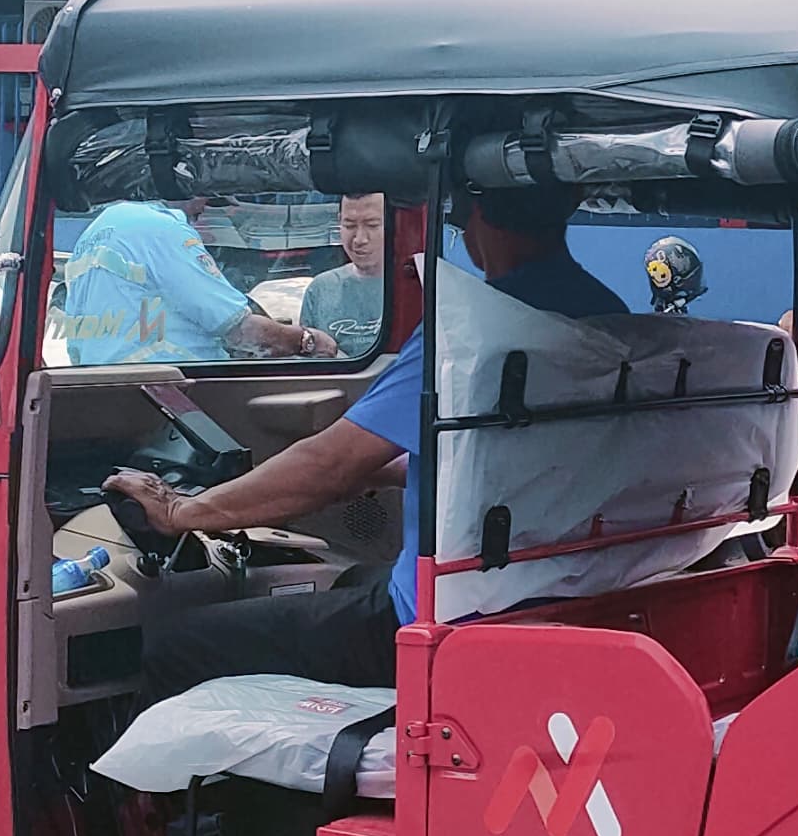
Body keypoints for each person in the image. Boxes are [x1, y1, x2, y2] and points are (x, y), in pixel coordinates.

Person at [107, 185, 624, 696]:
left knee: (175, 645)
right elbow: (531, 453)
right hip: (556, 589)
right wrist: (391, 469)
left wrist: (180, 511)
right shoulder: (606, 312)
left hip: (444, 620)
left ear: (475, 223)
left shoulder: (473, 331)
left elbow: (330, 467)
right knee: (352, 579)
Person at [52, 198, 338, 366]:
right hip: (176, 398)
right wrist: (306, 341)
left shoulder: (93, 235)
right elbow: (240, 329)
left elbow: (77, 350)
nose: (205, 206)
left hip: (113, 394)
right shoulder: (162, 228)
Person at [299, 189, 388, 357]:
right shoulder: (320, 289)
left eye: (372, 225)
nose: (359, 239)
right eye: (350, 226)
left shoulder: (415, 285)